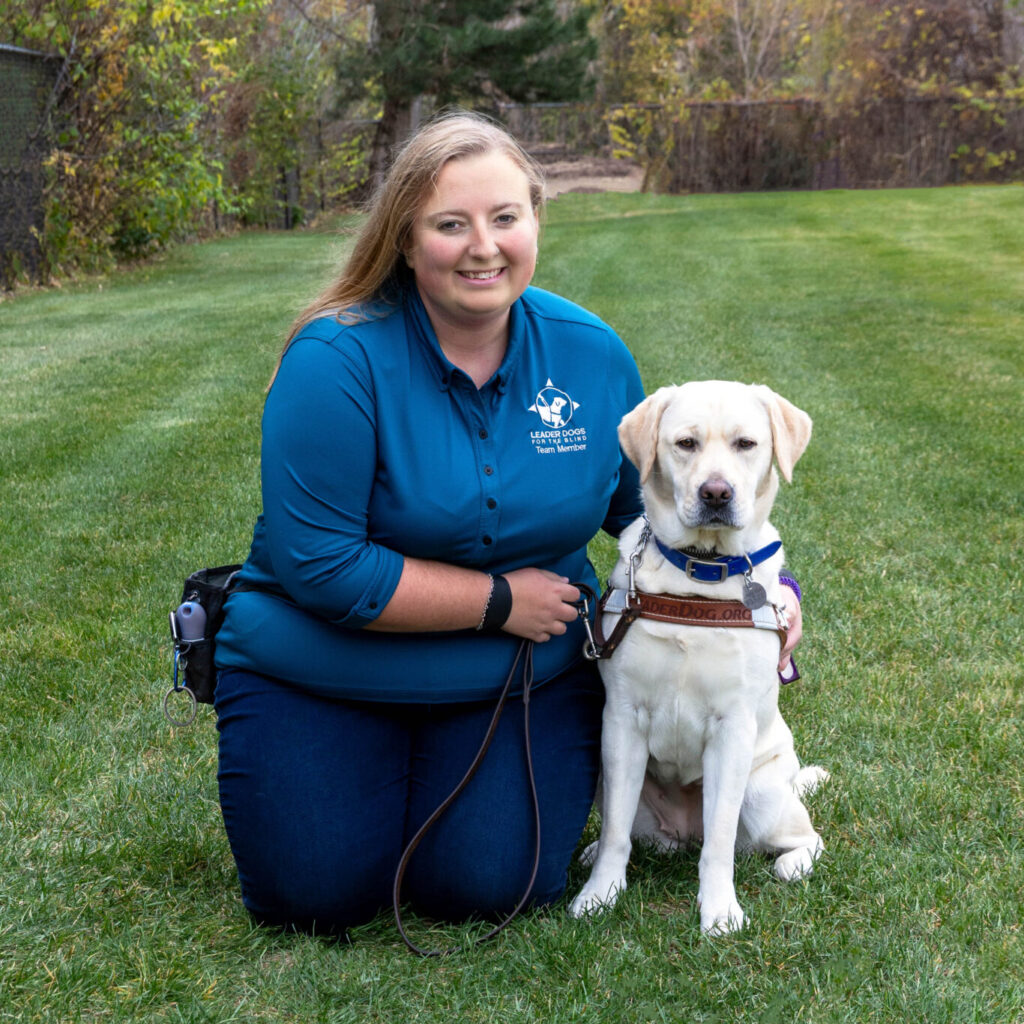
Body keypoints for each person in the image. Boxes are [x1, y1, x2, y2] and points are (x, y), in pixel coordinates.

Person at [213, 109, 802, 936]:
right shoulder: (334, 360)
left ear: (535, 220)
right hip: (322, 669)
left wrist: (770, 590)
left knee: (488, 883)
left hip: (510, 682)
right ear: (407, 239)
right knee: (316, 895)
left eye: (504, 218)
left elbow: (660, 512)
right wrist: (497, 602)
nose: (482, 246)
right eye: (450, 224)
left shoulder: (591, 356)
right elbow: (321, 567)